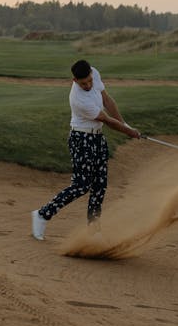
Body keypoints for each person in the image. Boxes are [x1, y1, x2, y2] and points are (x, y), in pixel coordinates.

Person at [31, 59, 142, 240]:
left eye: (90, 80)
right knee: (81, 186)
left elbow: (106, 99)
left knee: (100, 186)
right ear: (75, 81)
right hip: (81, 139)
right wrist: (128, 131)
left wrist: (125, 124)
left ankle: (94, 231)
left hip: (97, 138)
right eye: (84, 83)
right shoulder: (78, 99)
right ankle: (42, 214)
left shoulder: (94, 73)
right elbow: (105, 119)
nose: (88, 85)